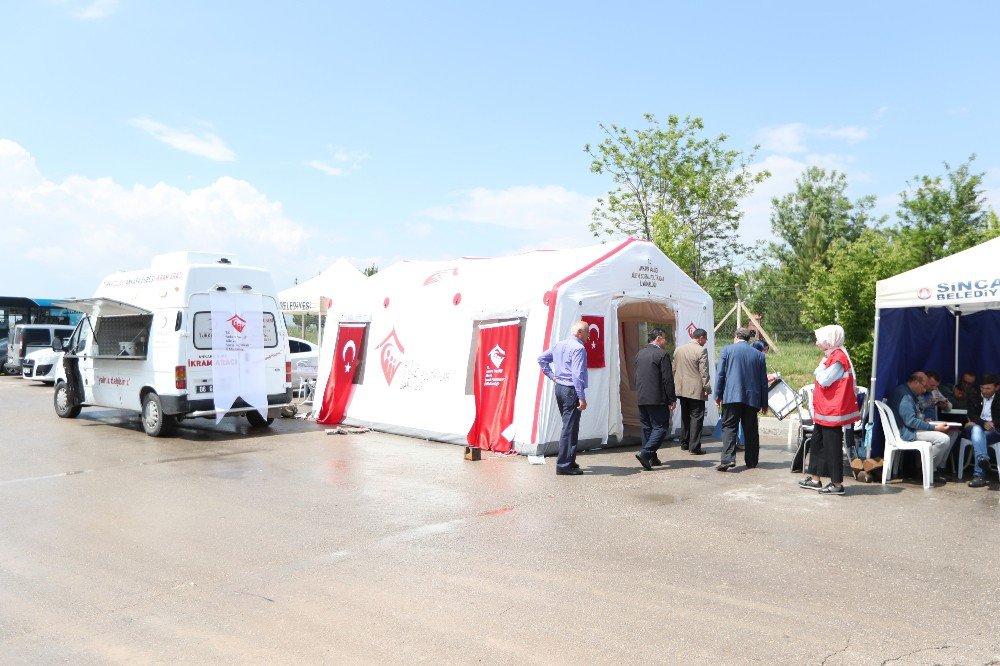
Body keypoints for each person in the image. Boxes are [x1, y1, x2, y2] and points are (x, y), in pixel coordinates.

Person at [797, 325, 861, 495]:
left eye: (819, 339)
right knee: (817, 444)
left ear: (829, 340)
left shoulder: (838, 358)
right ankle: (815, 479)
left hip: (832, 412)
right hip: (826, 411)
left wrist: (819, 369)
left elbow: (825, 380)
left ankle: (837, 484)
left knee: (831, 447)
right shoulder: (832, 356)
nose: (817, 342)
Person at [538, 321, 589, 476]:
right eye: (587, 332)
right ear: (579, 332)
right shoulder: (578, 348)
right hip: (571, 390)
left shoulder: (560, 344)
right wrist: (581, 396)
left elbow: (542, 359)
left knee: (570, 426)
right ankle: (564, 465)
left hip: (560, 388)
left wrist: (552, 376)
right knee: (569, 427)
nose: (588, 336)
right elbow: (577, 374)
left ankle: (569, 460)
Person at [714, 327, 768, 471]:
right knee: (751, 430)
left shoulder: (727, 350)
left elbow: (721, 374)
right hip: (752, 399)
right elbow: (763, 381)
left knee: (729, 427)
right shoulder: (759, 355)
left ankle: (727, 460)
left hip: (731, 396)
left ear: (736, 336)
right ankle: (751, 461)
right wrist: (764, 403)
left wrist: (717, 395)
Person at [886, 372, 953, 484]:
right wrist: (934, 427)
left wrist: (924, 422)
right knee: (944, 439)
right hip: (906, 432)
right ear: (916, 382)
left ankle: (930, 469)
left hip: (907, 429)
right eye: (924, 386)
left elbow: (911, 418)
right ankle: (928, 469)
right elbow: (910, 421)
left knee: (947, 435)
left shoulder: (905, 391)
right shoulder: (905, 396)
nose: (924, 390)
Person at [634, 328, 677, 470]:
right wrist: (672, 398)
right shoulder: (662, 354)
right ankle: (646, 454)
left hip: (642, 397)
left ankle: (652, 457)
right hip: (657, 398)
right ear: (658, 338)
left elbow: (637, 376)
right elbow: (667, 379)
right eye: (664, 338)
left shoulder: (640, 354)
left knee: (647, 427)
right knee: (661, 427)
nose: (666, 341)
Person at [673, 327, 711, 455]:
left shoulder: (679, 349)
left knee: (685, 416)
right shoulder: (701, 350)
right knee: (697, 417)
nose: (705, 341)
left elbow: (674, 369)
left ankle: (684, 443)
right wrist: (707, 388)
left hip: (681, 389)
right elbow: (704, 372)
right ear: (701, 338)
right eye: (705, 339)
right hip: (696, 390)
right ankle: (694, 447)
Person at [963, 373, 999, 488]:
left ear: (996, 387)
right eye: (982, 388)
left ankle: (979, 475)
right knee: (977, 429)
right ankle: (982, 460)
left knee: (978, 433)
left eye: (988, 388)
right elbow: (971, 414)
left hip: (993, 431)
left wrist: (993, 424)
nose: (984, 391)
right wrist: (982, 423)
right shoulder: (974, 396)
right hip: (975, 428)